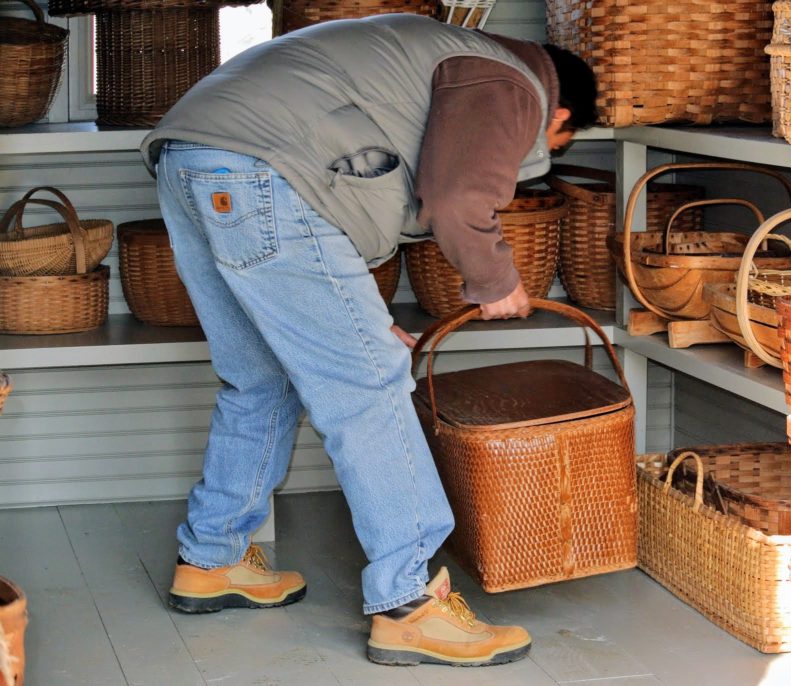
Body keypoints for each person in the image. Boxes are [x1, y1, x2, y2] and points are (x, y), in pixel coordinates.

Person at [138, 13, 599, 667]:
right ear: (562, 114)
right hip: (261, 170)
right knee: (371, 388)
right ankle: (410, 606)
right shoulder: (513, 82)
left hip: (193, 156)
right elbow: (456, 195)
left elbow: (344, 187)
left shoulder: (422, 57)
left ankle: (212, 559)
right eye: (559, 142)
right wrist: (496, 280)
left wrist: (353, 313)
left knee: (259, 376)